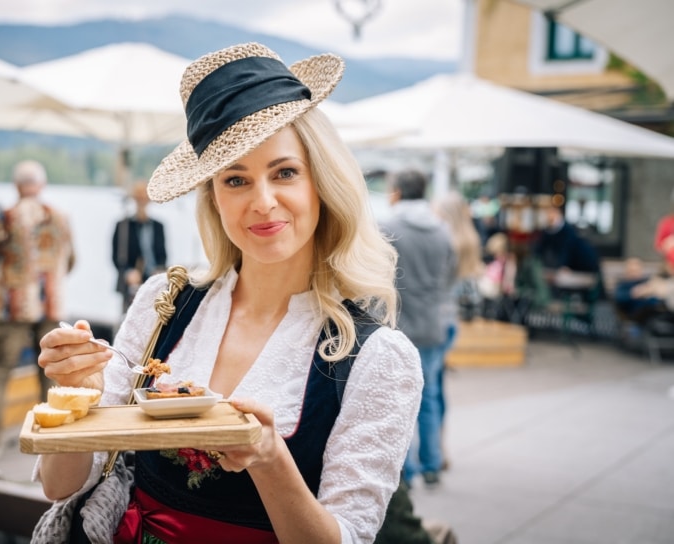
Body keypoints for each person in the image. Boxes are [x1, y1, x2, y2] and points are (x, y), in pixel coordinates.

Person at [35, 43, 422, 543]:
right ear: (214, 200)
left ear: (322, 183)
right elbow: (58, 485)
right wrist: (78, 394)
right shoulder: (163, 302)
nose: (262, 202)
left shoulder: (379, 358)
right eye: (235, 179)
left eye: (285, 172)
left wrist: (270, 461)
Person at [0, 159, 76, 463]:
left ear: (17, 186)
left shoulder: (5, 217)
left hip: (12, 307)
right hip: (49, 303)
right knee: (51, 371)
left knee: (0, 371)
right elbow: (71, 260)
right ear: (41, 185)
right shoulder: (60, 217)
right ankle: (49, 438)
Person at [379, 170, 457, 490]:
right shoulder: (443, 230)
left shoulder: (386, 227)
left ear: (396, 192)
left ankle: (407, 472)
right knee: (430, 397)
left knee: (400, 401)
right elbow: (450, 277)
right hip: (434, 324)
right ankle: (431, 464)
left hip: (400, 325)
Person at [431, 191, 484, 472]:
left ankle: (433, 453)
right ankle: (440, 447)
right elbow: (469, 291)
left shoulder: (445, 241)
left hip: (434, 319)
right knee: (438, 389)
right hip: (451, 320)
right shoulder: (469, 240)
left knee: (429, 392)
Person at [112, 180, 167, 314]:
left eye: (144, 197)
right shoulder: (123, 226)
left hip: (154, 280)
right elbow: (116, 257)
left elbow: (163, 256)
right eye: (139, 197)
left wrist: (159, 270)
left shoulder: (158, 227)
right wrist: (127, 273)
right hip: (132, 282)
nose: (142, 201)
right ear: (134, 199)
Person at [534, 204, 600, 276]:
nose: (550, 216)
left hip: (580, 267)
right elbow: (540, 250)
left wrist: (564, 265)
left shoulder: (568, 231)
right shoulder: (546, 231)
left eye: (552, 213)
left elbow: (568, 249)